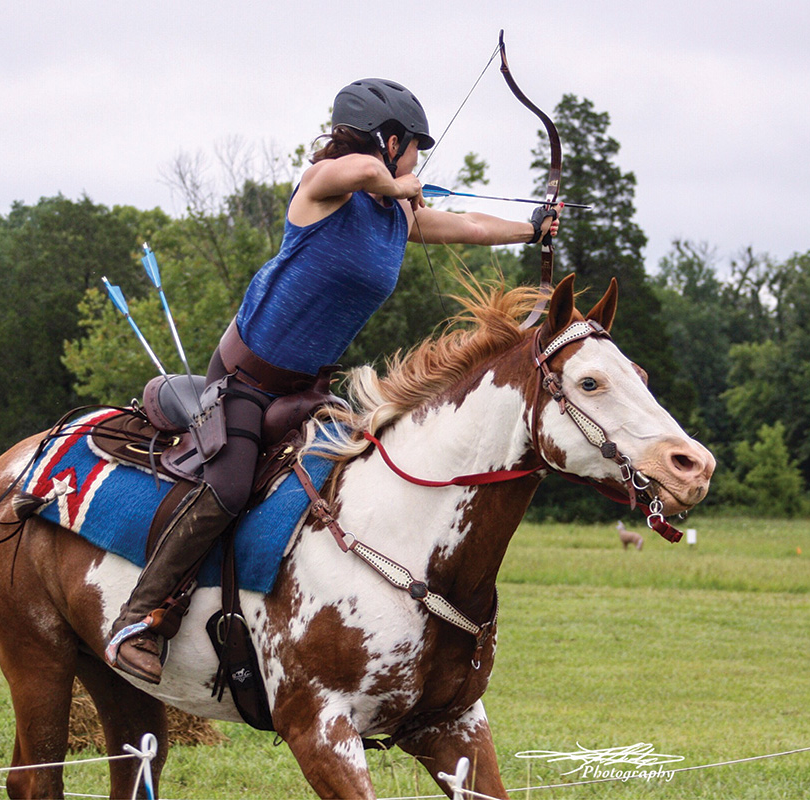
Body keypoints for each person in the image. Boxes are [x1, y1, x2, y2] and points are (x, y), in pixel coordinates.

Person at [105, 77, 560, 683]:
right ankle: (139, 617)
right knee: (231, 487)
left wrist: (532, 227)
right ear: (389, 140)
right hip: (245, 377)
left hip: (308, 391)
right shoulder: (321, 189)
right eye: (413, 147)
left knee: (347, 482)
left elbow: (467, 227)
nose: (419, 160)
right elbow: (355, 174)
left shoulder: (394, 213)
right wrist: (395, 183)